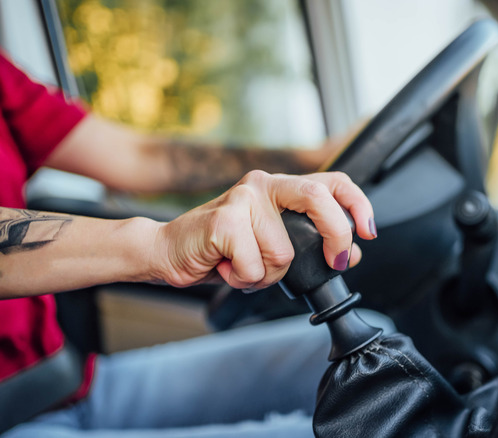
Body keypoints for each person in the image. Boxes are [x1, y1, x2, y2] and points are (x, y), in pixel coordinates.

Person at [0, 51, 382, 437]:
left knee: (377, 362)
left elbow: (136, 157)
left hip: (68, 385)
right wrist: (160, 245)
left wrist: (313, 158)